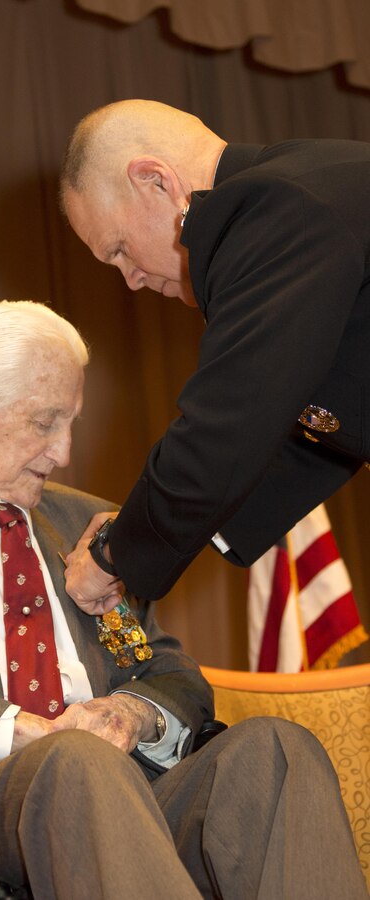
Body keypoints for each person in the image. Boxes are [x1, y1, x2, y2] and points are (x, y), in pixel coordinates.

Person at [0, 300, 366, 899]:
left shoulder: (82, 520)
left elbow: (170, 670)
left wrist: (132, 714)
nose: (65, 453)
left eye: (72, 422)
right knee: (75, 760)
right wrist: (25, 731)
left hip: (126, 788)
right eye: (46, 422)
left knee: (274, 753)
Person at [59, 98, 370, 612]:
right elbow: (306, 425)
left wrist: (113, 555)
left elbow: (232, 418)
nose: (131, 280)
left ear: (155, 180)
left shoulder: (274, 205)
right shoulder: (302, 182)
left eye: (118, 249)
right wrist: (139, 528)